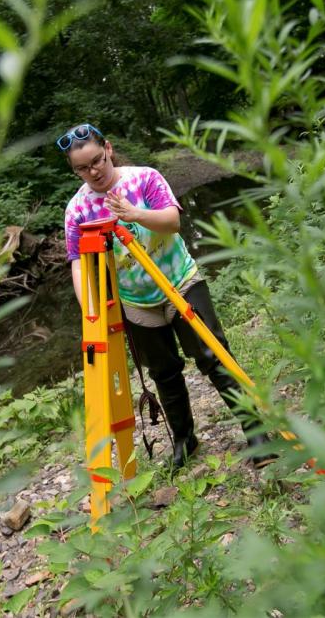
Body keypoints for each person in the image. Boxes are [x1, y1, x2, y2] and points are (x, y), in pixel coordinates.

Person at [59, 123, 274, 469]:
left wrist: (134, 214)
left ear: (109, 149)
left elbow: (173, 221)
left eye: (97, 160)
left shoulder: (144, 179)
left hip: (180, 282)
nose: (93, 171)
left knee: (213, 357)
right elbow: (79, 265)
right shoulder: (77, 210)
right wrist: (90, 310)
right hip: (137, 301)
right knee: (164, 373)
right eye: (82, 168)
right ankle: (185, 441)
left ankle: (257, 433)